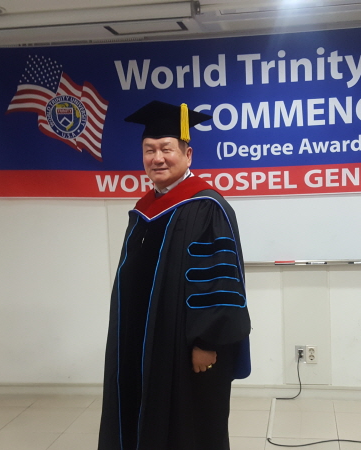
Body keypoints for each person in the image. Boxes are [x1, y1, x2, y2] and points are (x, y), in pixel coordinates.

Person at [98, 101, 251, 450]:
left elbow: (218, 282)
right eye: (149, 150)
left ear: (187, 154)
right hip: (144, 343)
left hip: (184, 349)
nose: (157, 158)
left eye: (166, 149)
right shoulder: (145, 208)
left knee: (188, 428)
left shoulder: (206, 206)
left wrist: (207, 343)